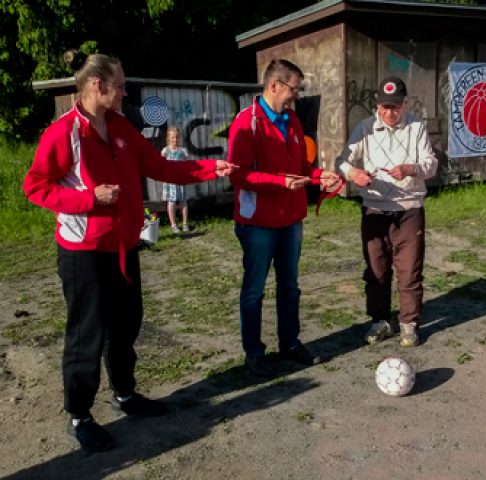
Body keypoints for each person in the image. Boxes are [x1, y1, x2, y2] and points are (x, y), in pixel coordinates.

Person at [22, 50, 236, 453]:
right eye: (119, 85)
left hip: (123, 244)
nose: (124, 93)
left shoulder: (122, 127)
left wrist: (211, 168)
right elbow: (35, 187)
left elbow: (160, 167)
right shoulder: (64, 133)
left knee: (126, 324)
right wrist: (89, 198)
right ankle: (80, 416)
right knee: (87, 333)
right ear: (96, 85)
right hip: (82, 250)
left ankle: (125, 393)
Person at [227, 59, 340, 377]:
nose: (297, 95)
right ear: (274, 85)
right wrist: (281, 182)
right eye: (294, 88)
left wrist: (320, 177)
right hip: (258, 223)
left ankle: (289, 343)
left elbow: (303, 169)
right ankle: (254, 353)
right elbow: (239, 176)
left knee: (290, 286)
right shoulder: (246, 123)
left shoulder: (292, 120)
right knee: (254, 290)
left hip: (291, 220)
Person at [336, 76, 438, 347]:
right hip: (375, 210)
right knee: (376, 270)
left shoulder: (416, 127)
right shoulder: (365, 128)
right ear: (376, 105)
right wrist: (353, 172)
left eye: (394, 107)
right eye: (383, 107)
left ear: (405, 104)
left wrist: (410, 169)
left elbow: (431, 164)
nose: (389, 113)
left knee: (409, 270)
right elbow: (341, 162)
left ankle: (409, 323)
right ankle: (380, 320)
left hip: (409, 209)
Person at [161, 126, 191, 233]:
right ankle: (173, 225)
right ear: (169, 138)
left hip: (180, 179)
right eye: (173, 137)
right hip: (170, 181)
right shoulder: (165, 151)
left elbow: (187, 164)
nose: (175, 139)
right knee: (171, 202)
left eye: (177, 137)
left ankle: (185, 223)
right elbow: (162, 165)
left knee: (183, 201)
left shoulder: (183, 151)